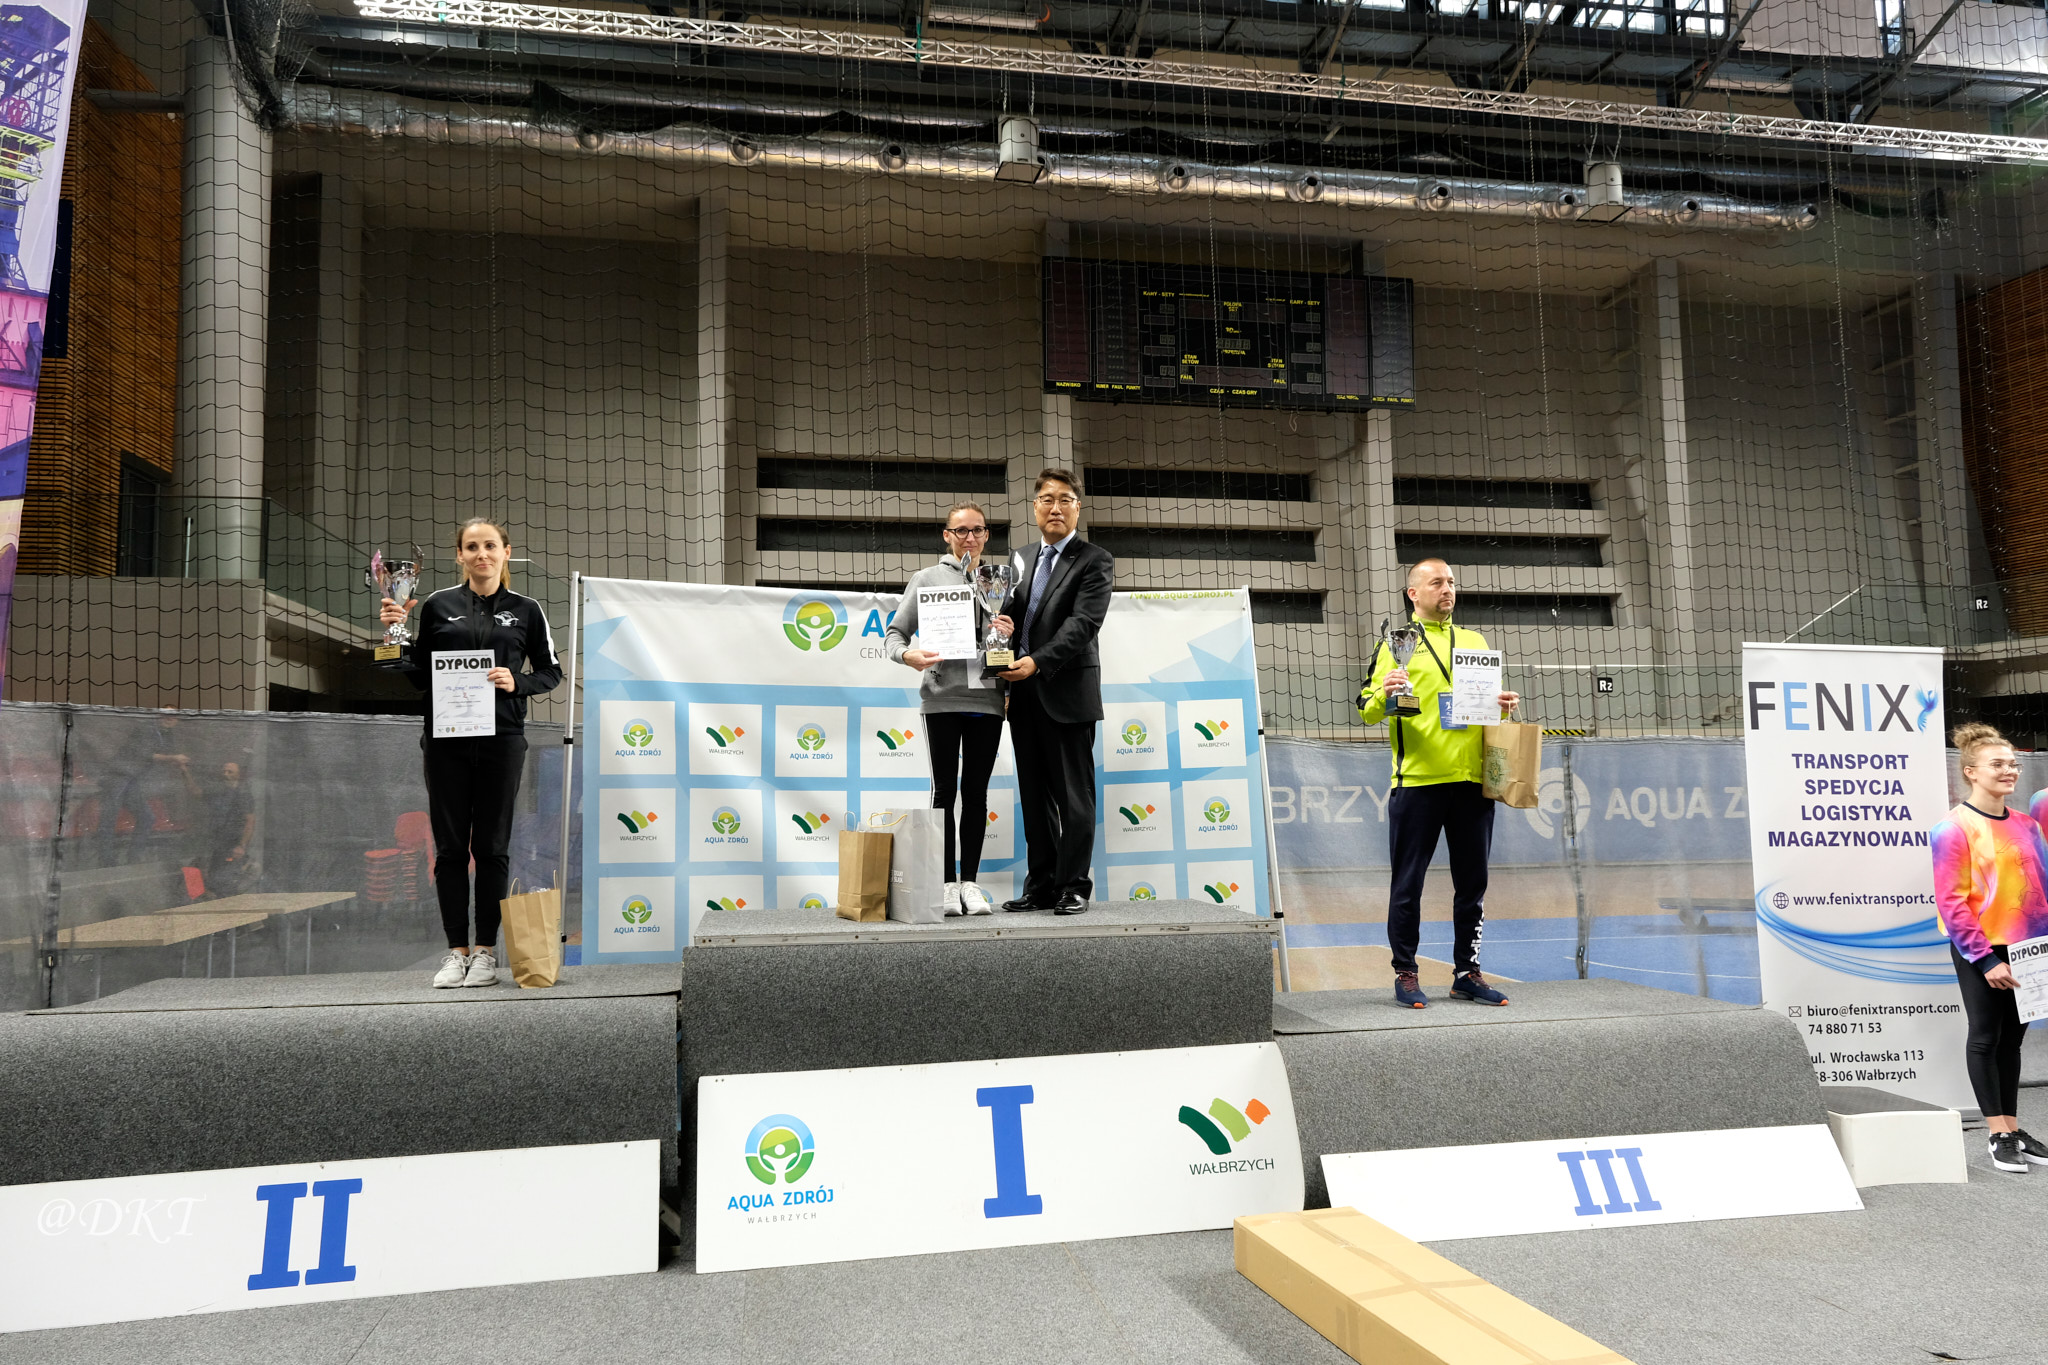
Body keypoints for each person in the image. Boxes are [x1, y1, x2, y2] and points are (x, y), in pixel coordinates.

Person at [383, 517, 561, 988]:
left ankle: (485, 952)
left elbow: (550, 672)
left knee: (492, 848)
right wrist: (397, 635)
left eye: (490, 546)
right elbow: (420, 676)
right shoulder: (438, 605)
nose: (482, 554)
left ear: (506, 552)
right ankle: (455, 952)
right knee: (449, 849)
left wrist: (516, 681)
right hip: (446, 742)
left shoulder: (527, 610)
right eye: (472, 547)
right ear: (459, 555)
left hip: (502, 741)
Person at [1356, 557, 1520, 1009]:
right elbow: (1366, 709)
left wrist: (1502, 705)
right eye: (1436, 582)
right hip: (1418, 782)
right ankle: (1406, 973)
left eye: (1451, 581)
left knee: (1473, 885)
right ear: (1413, 593)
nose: (1447, 588)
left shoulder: (1475, 642)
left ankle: (1467, 973)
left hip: (1472, 782)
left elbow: (1482, 707)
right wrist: (1386, 693)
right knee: (1408, 884)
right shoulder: (1394, 644)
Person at [989, 468, 1114, 916]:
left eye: (1064, 500)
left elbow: (1083, 624)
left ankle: (1073, 886)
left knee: (1073, 798)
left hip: (1067, 694)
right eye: (1046, 499)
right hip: (1021, 696)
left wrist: (1037, 661)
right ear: (1035, 507)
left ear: (1077, 507)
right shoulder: (1020, 558)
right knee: (1034, 796)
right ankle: (1040, 884)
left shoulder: (1095, 559)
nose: (1055, 508)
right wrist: (998, 637)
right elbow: (1007, 614)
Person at [1934, 724, 2048, 1172]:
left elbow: (2040, 889)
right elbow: (1952, 903)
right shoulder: (1953, 828)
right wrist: (1984, 960)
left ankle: (2013, 1127)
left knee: (2013, 1042)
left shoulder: (2027, 825)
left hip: (2028, 949)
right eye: (1997, 764)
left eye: (2013, 764)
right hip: (1981, 950)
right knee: (1985, 1036)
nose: (2009, 771)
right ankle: (1997, 1134)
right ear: (1971, 772)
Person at [885, 501, 1006, 916]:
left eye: (978, 530)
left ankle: (969, 883)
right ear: (947, 535)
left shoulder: (1000, 581)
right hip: (941, 699)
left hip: (988, 699)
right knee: (944, 792)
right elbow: (895, 633)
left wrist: (1007, 636)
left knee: (976, 793)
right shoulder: (927, 579)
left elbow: (1012, 644)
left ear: (986, 535)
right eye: (961, 530)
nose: (970, 537)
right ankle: (945, 885)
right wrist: (908, 656)